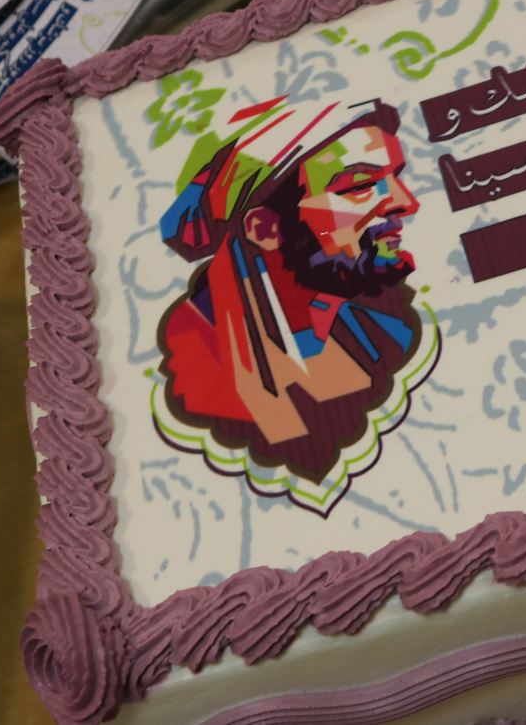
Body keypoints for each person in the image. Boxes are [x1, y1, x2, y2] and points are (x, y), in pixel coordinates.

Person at [158, 97, 423, 483]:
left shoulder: (386, 330)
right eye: (361, 186)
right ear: (264, 229)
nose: (405, 203)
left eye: (395, 178)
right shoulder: (194, 361)